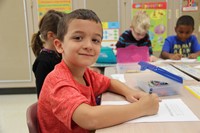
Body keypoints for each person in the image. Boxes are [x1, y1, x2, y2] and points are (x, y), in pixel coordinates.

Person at [38, 9, 159, 133]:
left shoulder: (85, 73)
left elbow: (108, 82)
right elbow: (89, 118)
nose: (88, 46)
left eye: (95, 40)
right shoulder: (58, 81)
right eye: (78, 38)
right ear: (59, 45)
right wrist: (141, 108)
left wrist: (130, 92)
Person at [31, 10, 65, 98]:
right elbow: (43, 96)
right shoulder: (43, 63)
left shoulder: (59, 54)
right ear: (51, 35)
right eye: (63, 34)